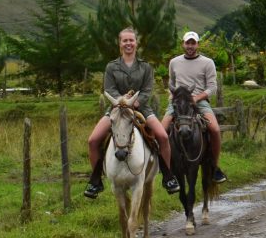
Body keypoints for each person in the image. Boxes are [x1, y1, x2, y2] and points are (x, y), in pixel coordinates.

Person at [84, 27, 180, 198]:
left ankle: (168, 176)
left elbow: (147, 90)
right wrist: (122, 101)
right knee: (93, 140)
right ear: (120, 44)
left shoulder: (145, 67)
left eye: (131, 40)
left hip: (141, 109)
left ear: (136, 43)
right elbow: (109, 89)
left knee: (163, 137)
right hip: (116, 109)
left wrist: (135, 102)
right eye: (125, 40)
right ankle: (96, 180)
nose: (128, 43)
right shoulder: (111, 67)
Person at [161, 31, 228, 184]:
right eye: (187, 43)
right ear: (183, 44)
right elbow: (172, 83)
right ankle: (166, 169)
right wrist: (174, 97)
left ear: (197, 44)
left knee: (215, 130)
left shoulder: (207, 62)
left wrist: (196, 98)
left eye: (193, 43)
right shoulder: (174, 62)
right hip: (178, 102)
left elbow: (212, 87)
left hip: (200, 101)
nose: (190, 46)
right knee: (161, 131)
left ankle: (214, 167)